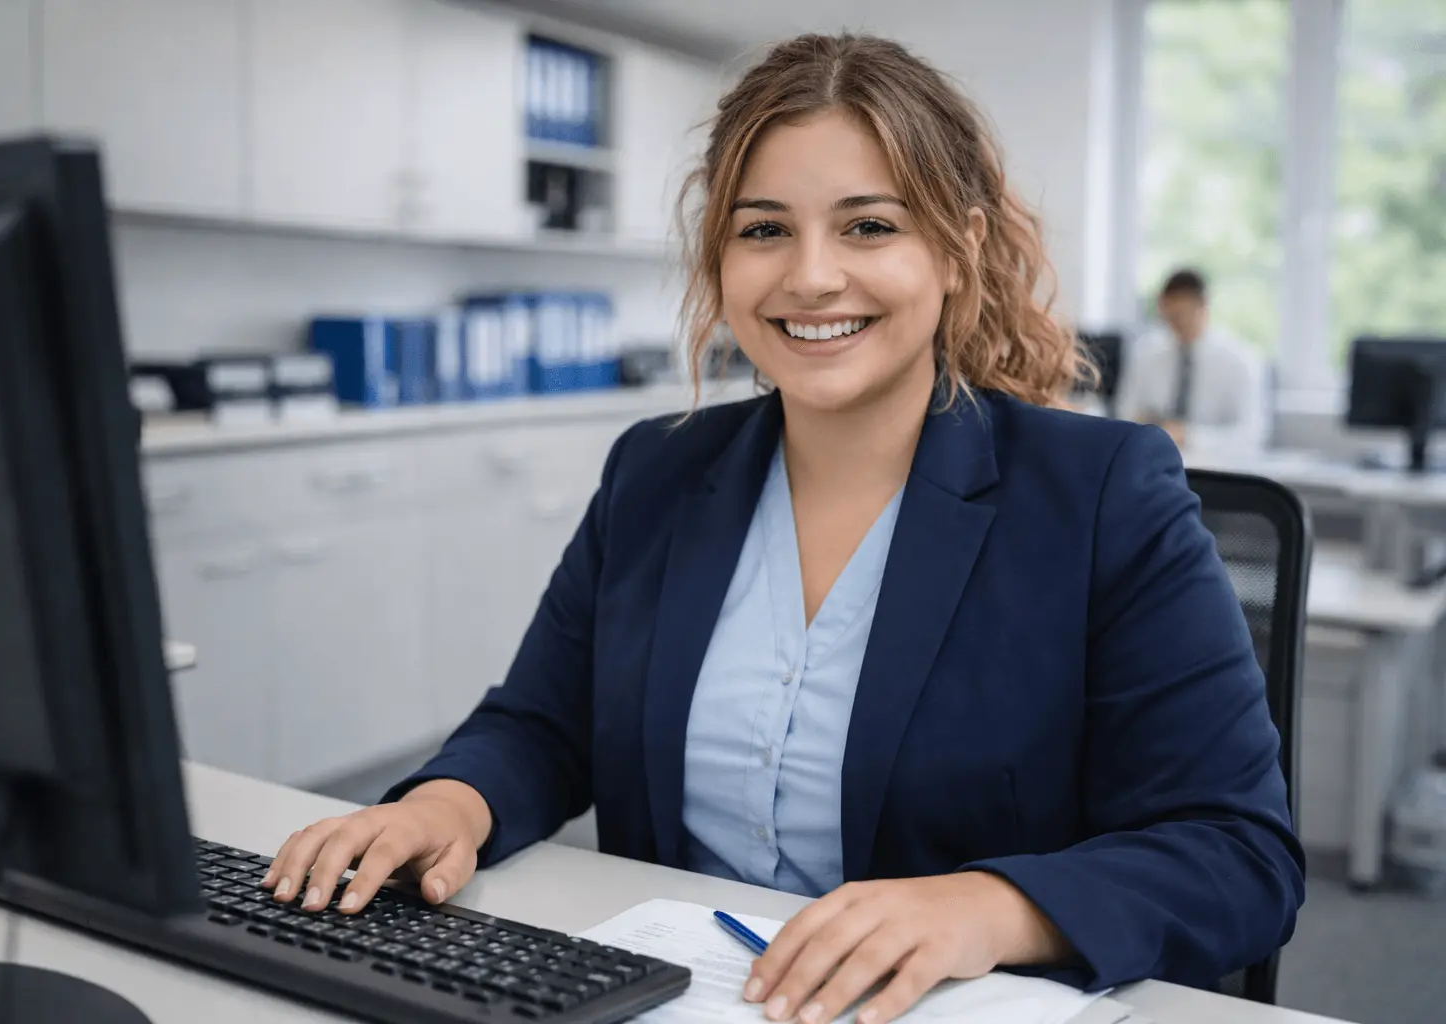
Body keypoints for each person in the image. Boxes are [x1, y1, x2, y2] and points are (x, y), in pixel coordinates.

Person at [262, 34, 1303, 1024]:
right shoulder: (658, 472)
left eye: (869, 226)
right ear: (721, 261)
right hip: (684, 992)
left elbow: (1238, 853)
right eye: (764, 229)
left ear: (957, 250)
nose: (810, 275)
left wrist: (984, 908)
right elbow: (544, 724)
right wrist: (446, 804)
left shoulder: (1102, 494)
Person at [1118, 269, 1271, 452]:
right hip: (1154, 463)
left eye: (1183, 315)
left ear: (1204, 306)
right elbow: (1124, 415)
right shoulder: (1146, 355)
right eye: (1170, 316)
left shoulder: (1242, 361)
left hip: (1218, 470)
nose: (1177, 325)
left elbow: (1251, 435)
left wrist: (1189, 436)